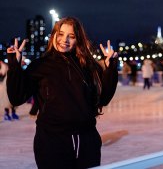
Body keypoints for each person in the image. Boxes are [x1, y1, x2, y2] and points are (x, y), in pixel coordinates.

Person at [6, 17, 118, 169]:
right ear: (53, 36)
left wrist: (110, 69)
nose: (64, 40)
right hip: (52, 142)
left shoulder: (88, 66)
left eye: (71, 36)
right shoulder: (40, 66)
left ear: (78, 39)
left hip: (87, 141)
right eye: (60, 34)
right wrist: (14, 65)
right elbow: (16, 97)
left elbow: (103, 99)